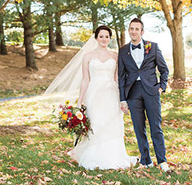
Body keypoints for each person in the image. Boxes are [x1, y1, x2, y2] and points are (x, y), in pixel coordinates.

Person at [44, 25, 135, 170]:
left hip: (111, 93)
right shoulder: (87, 57)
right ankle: (94, 156)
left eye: (106, 37)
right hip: (94, 93)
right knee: (95, 123)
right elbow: (85, 79)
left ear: (110, 38)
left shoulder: (115, 56)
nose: (104, 39)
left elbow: (117, 78)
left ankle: (114, 156)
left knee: (112, 123)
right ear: (96, 38)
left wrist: (122, 98)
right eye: (101, 36)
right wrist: (80, 101)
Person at [118, 17, 170, 172]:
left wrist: (161, 87)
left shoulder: (152, 47)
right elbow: (121, 76)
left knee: (156, 127)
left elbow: (164, 69)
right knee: (139, 128)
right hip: (133, 92)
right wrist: (122, 99)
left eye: (136, 29)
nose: (133, 31)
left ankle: (162, 161)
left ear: (142, 31)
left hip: (151, 91)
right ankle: (146, 160)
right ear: (129, 31)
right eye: (131, 29)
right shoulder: (123, 51)